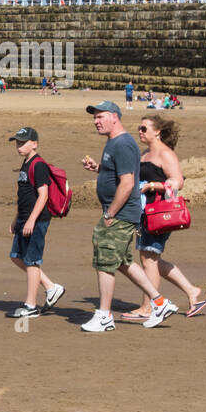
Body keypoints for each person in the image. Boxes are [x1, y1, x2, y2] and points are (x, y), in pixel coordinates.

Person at [78, 101, 177, 331]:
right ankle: (160, 303)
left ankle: (104, 316)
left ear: (115, 117)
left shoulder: (122, 143)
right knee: (122, 261)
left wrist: (110, 213)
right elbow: (120, 172)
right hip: (119, 211)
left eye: (100, 116)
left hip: (120, 212)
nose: (96, 121)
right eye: (94, 117)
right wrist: (99, 168)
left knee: (105, 260)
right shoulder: (115, 142)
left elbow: (128, 182)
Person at [128, 115, 206, 319]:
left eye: (144, 128)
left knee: (149, 259)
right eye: (139, 128)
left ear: (157, 131)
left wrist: (153, 185)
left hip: (159, 212)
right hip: (145, 211)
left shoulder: (165, 154)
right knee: (152, 258)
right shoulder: (146, 153)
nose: (139, 131)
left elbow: (178, 181)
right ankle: (192, 291)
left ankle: (148, 307)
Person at [6, 127, 65, 317]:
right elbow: (23, 195)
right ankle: (51, 286)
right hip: (24, 218)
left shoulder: (38, 165)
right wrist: (17, 219)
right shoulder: (26, 163)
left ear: (35, 144)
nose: (19, 146)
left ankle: (30, 306)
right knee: (17, 256)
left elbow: (43, 195)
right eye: (17, 142)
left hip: (37, 220)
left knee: (32, 261)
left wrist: (31, 220)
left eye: (23, 142)